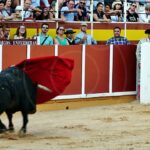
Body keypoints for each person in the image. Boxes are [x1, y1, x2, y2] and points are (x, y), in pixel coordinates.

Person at [136, 29, 150, 99]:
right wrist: (140, 62)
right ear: (148, 34)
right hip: (144, 63)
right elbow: (138, 52)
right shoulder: (142, 41)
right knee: (141, 79)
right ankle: (140, 95)